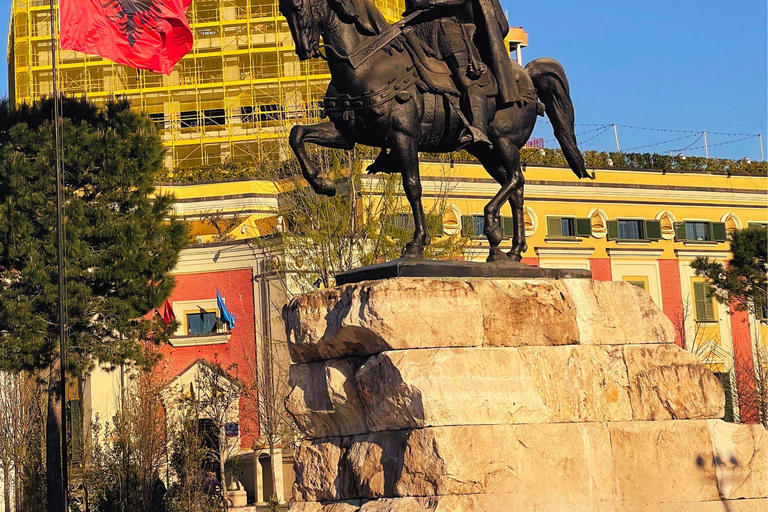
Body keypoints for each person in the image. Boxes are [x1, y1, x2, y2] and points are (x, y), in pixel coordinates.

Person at [403, 0, 521, 147]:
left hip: (444, 28)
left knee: (467, 79)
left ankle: (478, 129)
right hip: (411, 28)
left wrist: (433, 2)